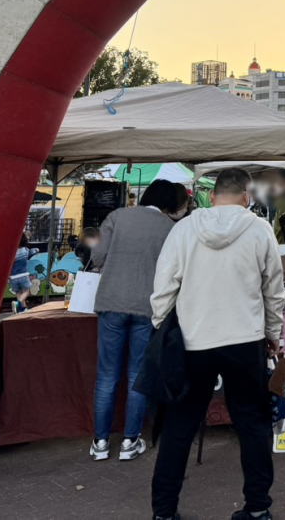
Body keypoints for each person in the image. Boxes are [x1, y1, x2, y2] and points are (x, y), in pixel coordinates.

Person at [149, 167, 285, 520]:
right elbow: (274, 290)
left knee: (180, 425)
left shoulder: (184, 229)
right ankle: (258, 508)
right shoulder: (259, 229)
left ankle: (164, 511)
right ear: (247, 197)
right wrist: (274, 333)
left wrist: (162, 326)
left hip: (193, 339)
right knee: (252, 424)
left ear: (212, 196)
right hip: (245, 339)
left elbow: (164, 285)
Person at [88, 179, 188, 463]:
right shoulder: (170, 228)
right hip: (148, 306)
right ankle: (129, 441)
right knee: (136, 375)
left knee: (106, 375)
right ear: (170, 203)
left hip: (111, 302)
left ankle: (100, 442)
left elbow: (97, 256)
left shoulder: (117, 216)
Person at [8, 233, 35, 314]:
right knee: (27, 292)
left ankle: (22, 309)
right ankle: (18, 302)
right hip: (23, 275)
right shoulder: (25, 250)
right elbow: (33, 252)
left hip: (13, 277)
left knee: (18, 292)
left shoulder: (12, 252)